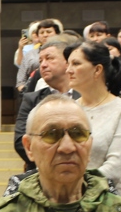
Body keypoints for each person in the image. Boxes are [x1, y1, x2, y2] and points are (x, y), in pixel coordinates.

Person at [67, 39, 121, 195]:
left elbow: (115, 167)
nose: (68, 70)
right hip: (64, 195)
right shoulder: (68, 109)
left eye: (76, 64)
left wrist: (75, 186)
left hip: (105, 197)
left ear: (97, 70)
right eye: (68, 64)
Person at [13, 39, 79, 168]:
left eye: (49, 59)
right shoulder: (32, 99)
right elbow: (20, 141)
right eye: (40, 61)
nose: (43, 65)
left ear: (67, 62)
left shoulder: (85, 96)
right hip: (41, 170)